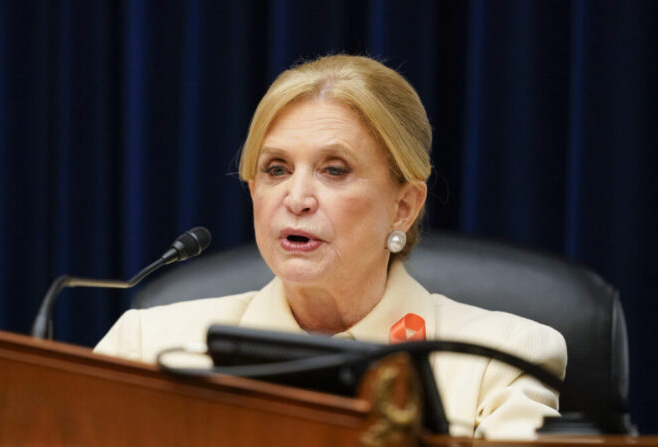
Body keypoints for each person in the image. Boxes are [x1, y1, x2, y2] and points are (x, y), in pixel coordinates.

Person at [94, 54, 567, 439]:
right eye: (276, 169)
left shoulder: (500, 359)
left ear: (404, 206)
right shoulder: (148, 347)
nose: (296, 199)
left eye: (334, 170)